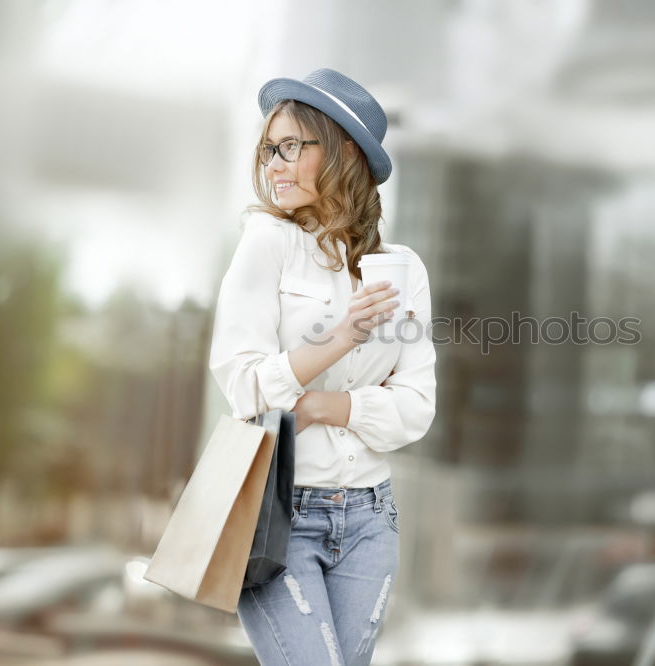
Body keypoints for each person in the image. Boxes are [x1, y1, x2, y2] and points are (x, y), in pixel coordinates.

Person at [208, 68, 437, 666]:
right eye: (269, 149)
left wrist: (321, 405)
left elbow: (416, 409)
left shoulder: (403, 269)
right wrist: (342, 339)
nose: (274, 164)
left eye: (291, 147)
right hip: (278, 512)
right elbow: (244, 385)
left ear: (340, 154)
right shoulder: (267, 243)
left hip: (371, 517)